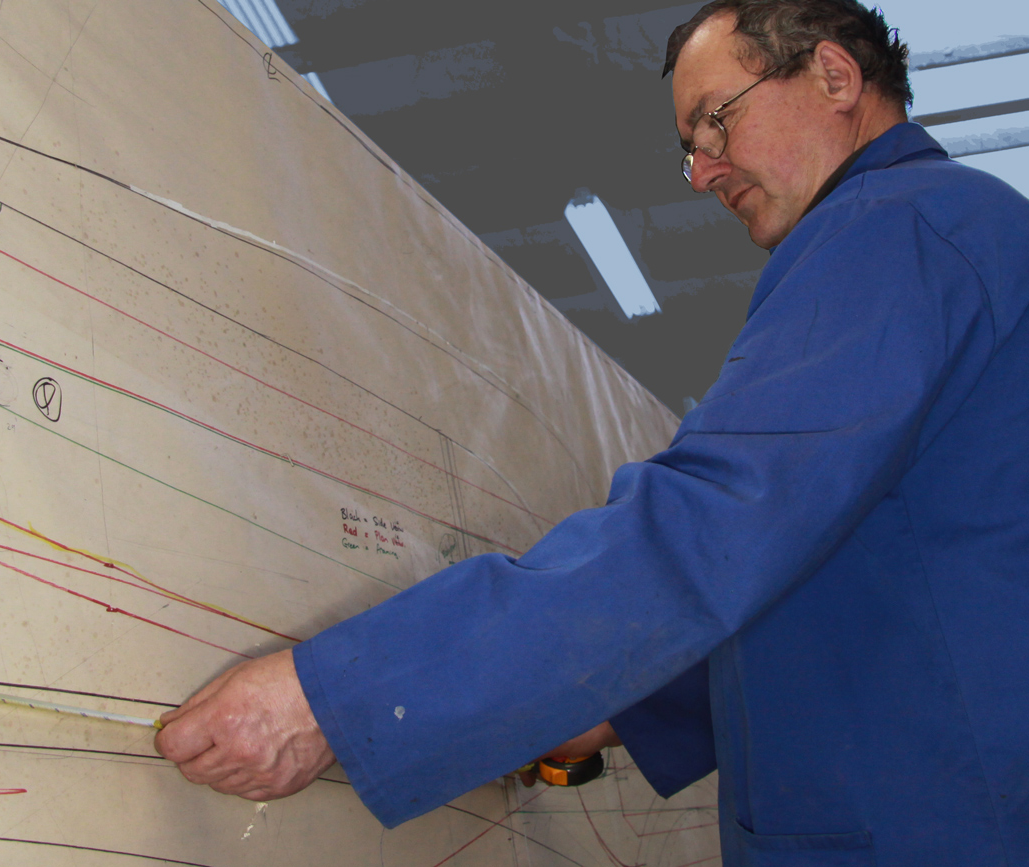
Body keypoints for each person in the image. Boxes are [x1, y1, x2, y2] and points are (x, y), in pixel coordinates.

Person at [156, 1, 1029, 862]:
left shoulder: (896, 228)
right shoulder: (950, 237)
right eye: (690, 146)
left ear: (835, 75)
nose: (701, 172)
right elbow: (838, 590)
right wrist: (621, 707)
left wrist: (337, 697)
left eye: (716, 122)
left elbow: (712, 526)